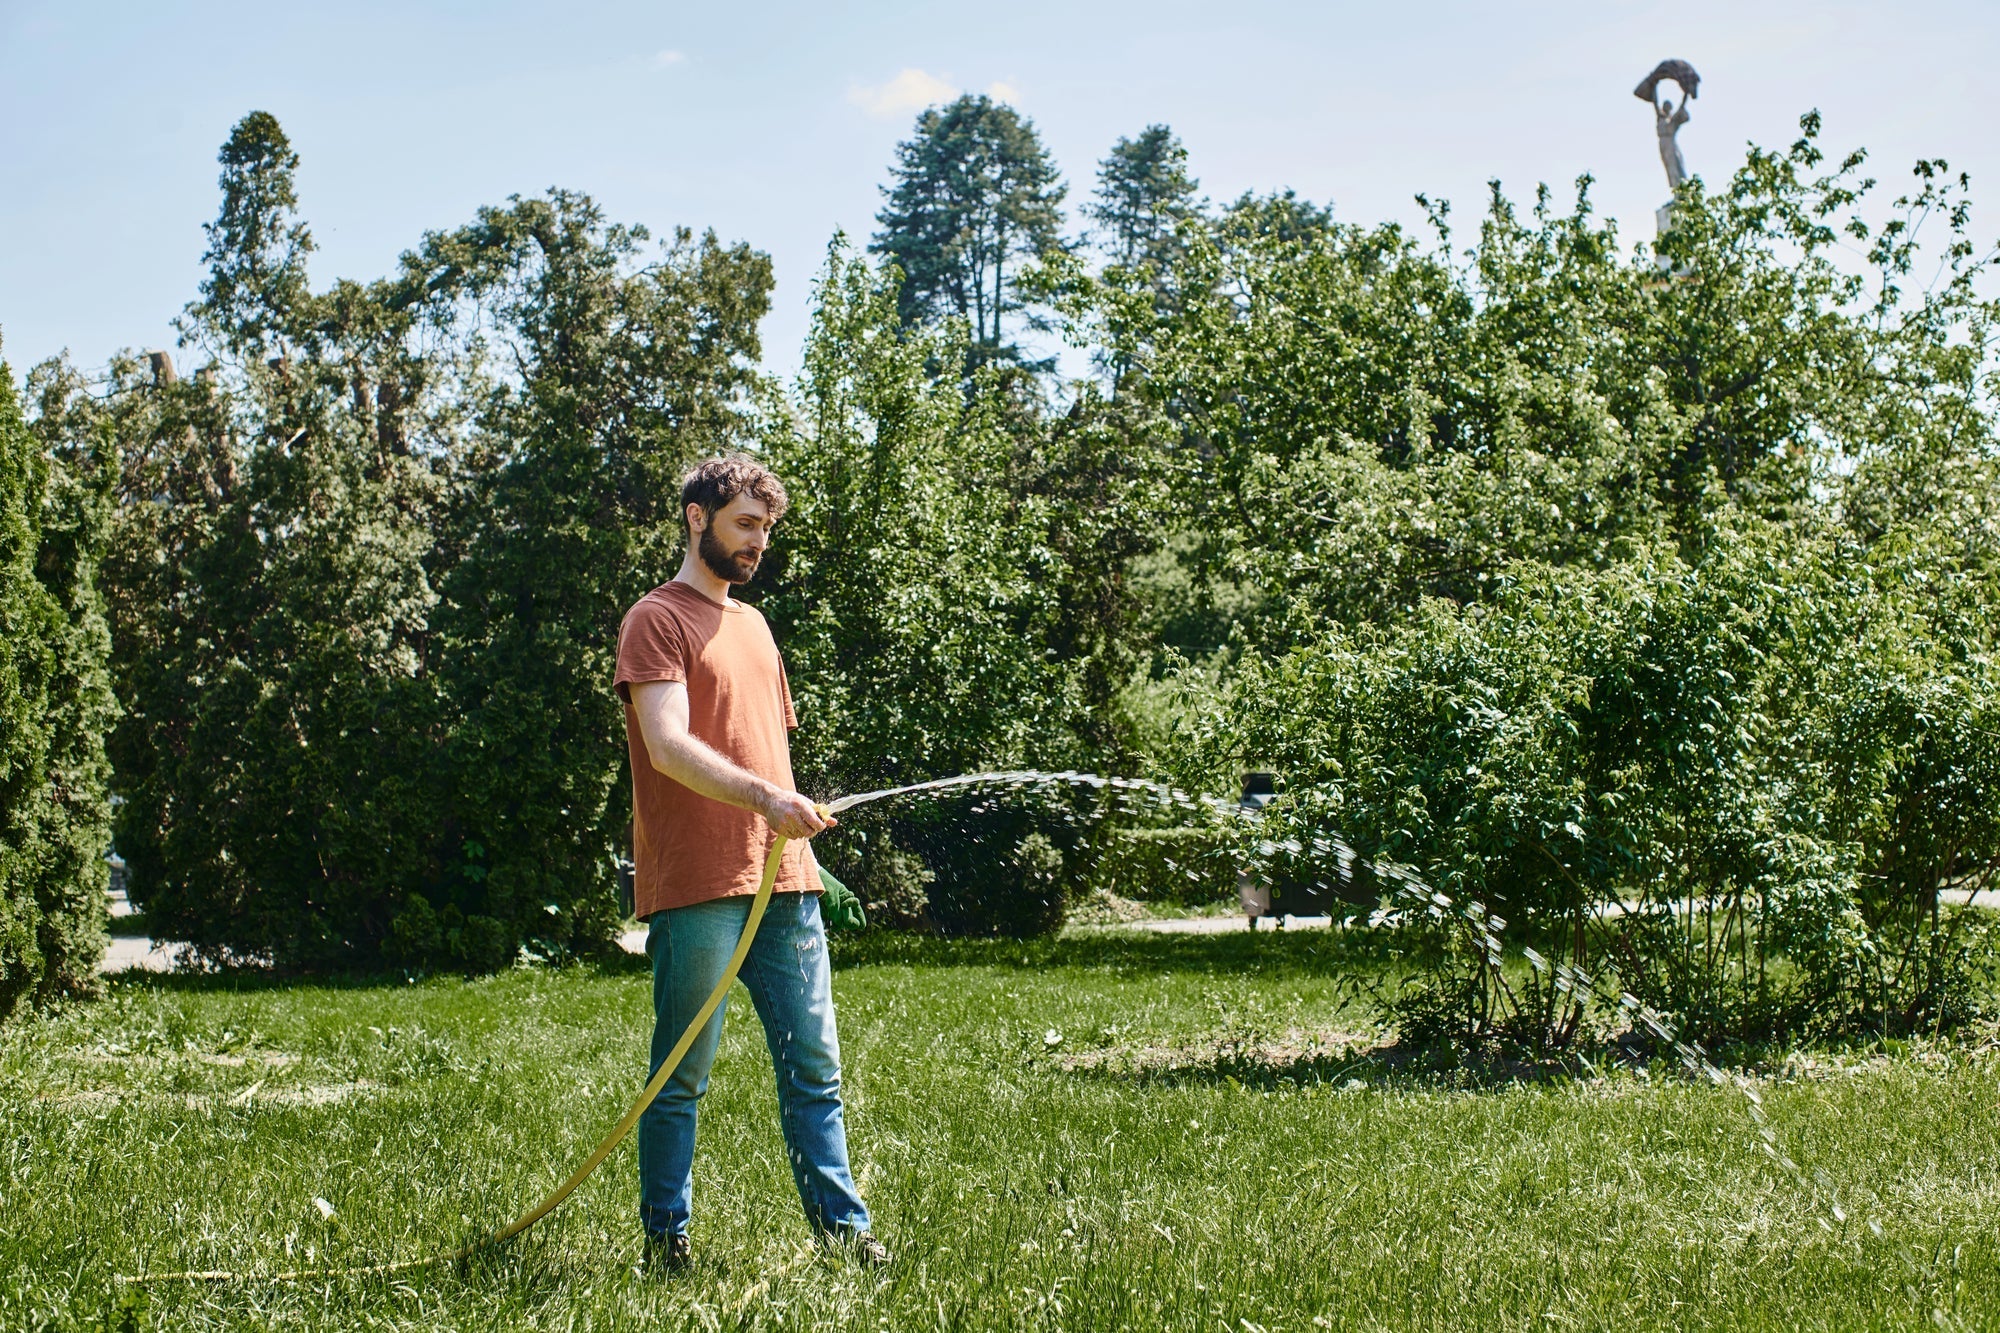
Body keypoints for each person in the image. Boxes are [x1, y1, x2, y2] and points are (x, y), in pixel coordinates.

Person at [614, 454, 887, 1273]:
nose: (758, 541)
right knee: (682, 1072)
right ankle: (667, 1243)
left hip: (786, 886)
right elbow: (668, 748)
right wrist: (767, 800)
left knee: (814, 1069)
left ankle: (843, 1237)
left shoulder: (758, 628)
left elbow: (764, 752)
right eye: (745, 523)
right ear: (698, 518)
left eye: (766, 528)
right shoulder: (655, 619)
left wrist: (794, 830)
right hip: (698, 884)